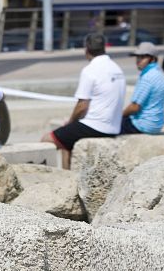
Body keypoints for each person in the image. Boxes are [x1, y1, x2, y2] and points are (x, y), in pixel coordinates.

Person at [42, 34, 125, 170]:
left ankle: (53, 181)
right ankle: (66, 176)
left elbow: (82, 106)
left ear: (86, 49)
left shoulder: (90, 70)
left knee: (46, 140)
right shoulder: (117, 68)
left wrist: (70, 122)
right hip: (114, 127)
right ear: (104, 48)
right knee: (66, 142)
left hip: (96, 126)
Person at [122, 42, 164, 135]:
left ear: (153, 59)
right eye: (137, 57)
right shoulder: (158, 74)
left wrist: (120, 115)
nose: (138, 60)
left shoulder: (147, 77)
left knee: (108, 125)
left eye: (143, 57)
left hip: (143, 125)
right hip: (156, 125)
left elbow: (134, 107)